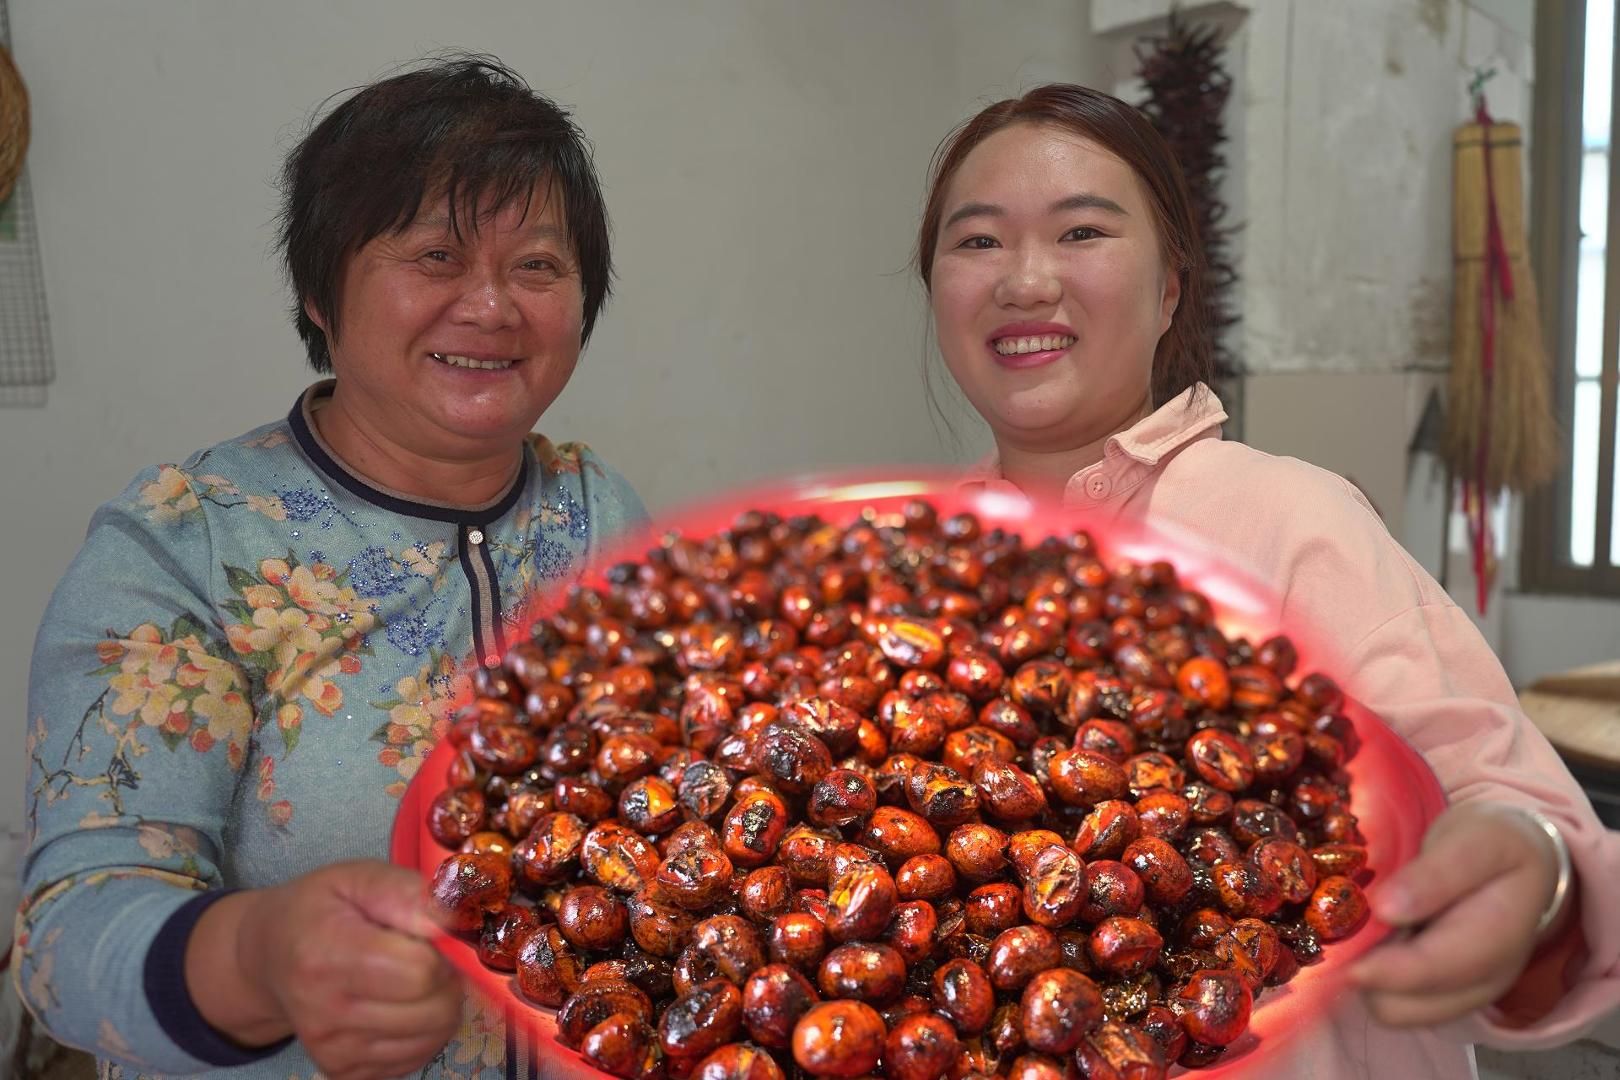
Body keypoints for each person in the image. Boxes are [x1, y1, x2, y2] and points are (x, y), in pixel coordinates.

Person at [919, 84, 1620, 1076]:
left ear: (1169, 288)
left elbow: (1510, 812)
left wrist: (1527, 891)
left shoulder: (1291, 519)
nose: (1025, 281)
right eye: (978, 242)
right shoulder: (897, 570)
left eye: (1082, 231)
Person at [13, 56, 646, 1080]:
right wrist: (261, 956)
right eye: (435, 257)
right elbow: (68, 941)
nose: (490, 306)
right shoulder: (188, 546)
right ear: (319, 288)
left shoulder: (599, 511)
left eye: (537, 266)